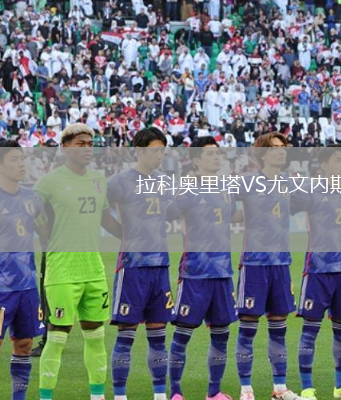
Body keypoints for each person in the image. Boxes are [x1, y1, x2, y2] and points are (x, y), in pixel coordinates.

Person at [35, 123, 122, 400]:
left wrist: (131, 236)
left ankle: (97, 396)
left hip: (93, 269)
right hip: (62, 269)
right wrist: (45, 233)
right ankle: (46, 397)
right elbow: (28, 210)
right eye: (81, 144)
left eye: (90, 144)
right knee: (57, 336)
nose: (87, 149)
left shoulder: (99, 180)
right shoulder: (49, 182)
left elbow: (106, 219)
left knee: (96, 336)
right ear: (65, 147)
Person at [292, 145, 341, 400]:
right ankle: (306, 388)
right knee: (310, 329)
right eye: (338, 160)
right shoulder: (311, 189)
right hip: (318, 269)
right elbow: (286, 204)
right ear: (324, 165)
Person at [235, 133, 306, 400]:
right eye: (275, 148)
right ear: (263, 153)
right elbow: (222, 205)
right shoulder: (247, 181)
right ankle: (246, 388)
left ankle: (280, 387)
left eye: (283, 147)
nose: (281, 151)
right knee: (248, 327)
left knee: (279, 327)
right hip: (254, 263)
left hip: (281, 263)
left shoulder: (290, 182)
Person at [0, 141, 46, 400]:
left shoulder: (32, 199)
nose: (21, 164)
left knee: (24, 345)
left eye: (22, 158)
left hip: (27, 286)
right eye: (14, 159)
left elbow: (45, 233)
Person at [168, 136, 237, 400]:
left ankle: (214, 392)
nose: (216, 157)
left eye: (218, 153)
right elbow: (167, 214)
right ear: (196, 160)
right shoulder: (187, 189)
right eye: (210, 154)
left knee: (221, 335)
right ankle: (175, 392)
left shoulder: (225, 188)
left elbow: (233, 216)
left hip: (223, 272)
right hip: (195, 271)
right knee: (182, 334)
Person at [107, 128, 171, 400]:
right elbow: (101, 211)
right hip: (132, 266)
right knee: (126, 335)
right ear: (139, 150)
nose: (159, 155)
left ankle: (159, 395)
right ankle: (120, 395)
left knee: (158, 336)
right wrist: (123, 234)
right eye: (154, 150)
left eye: (162, 151)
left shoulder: (165, 181)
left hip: (160, 266)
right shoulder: (119, 181)